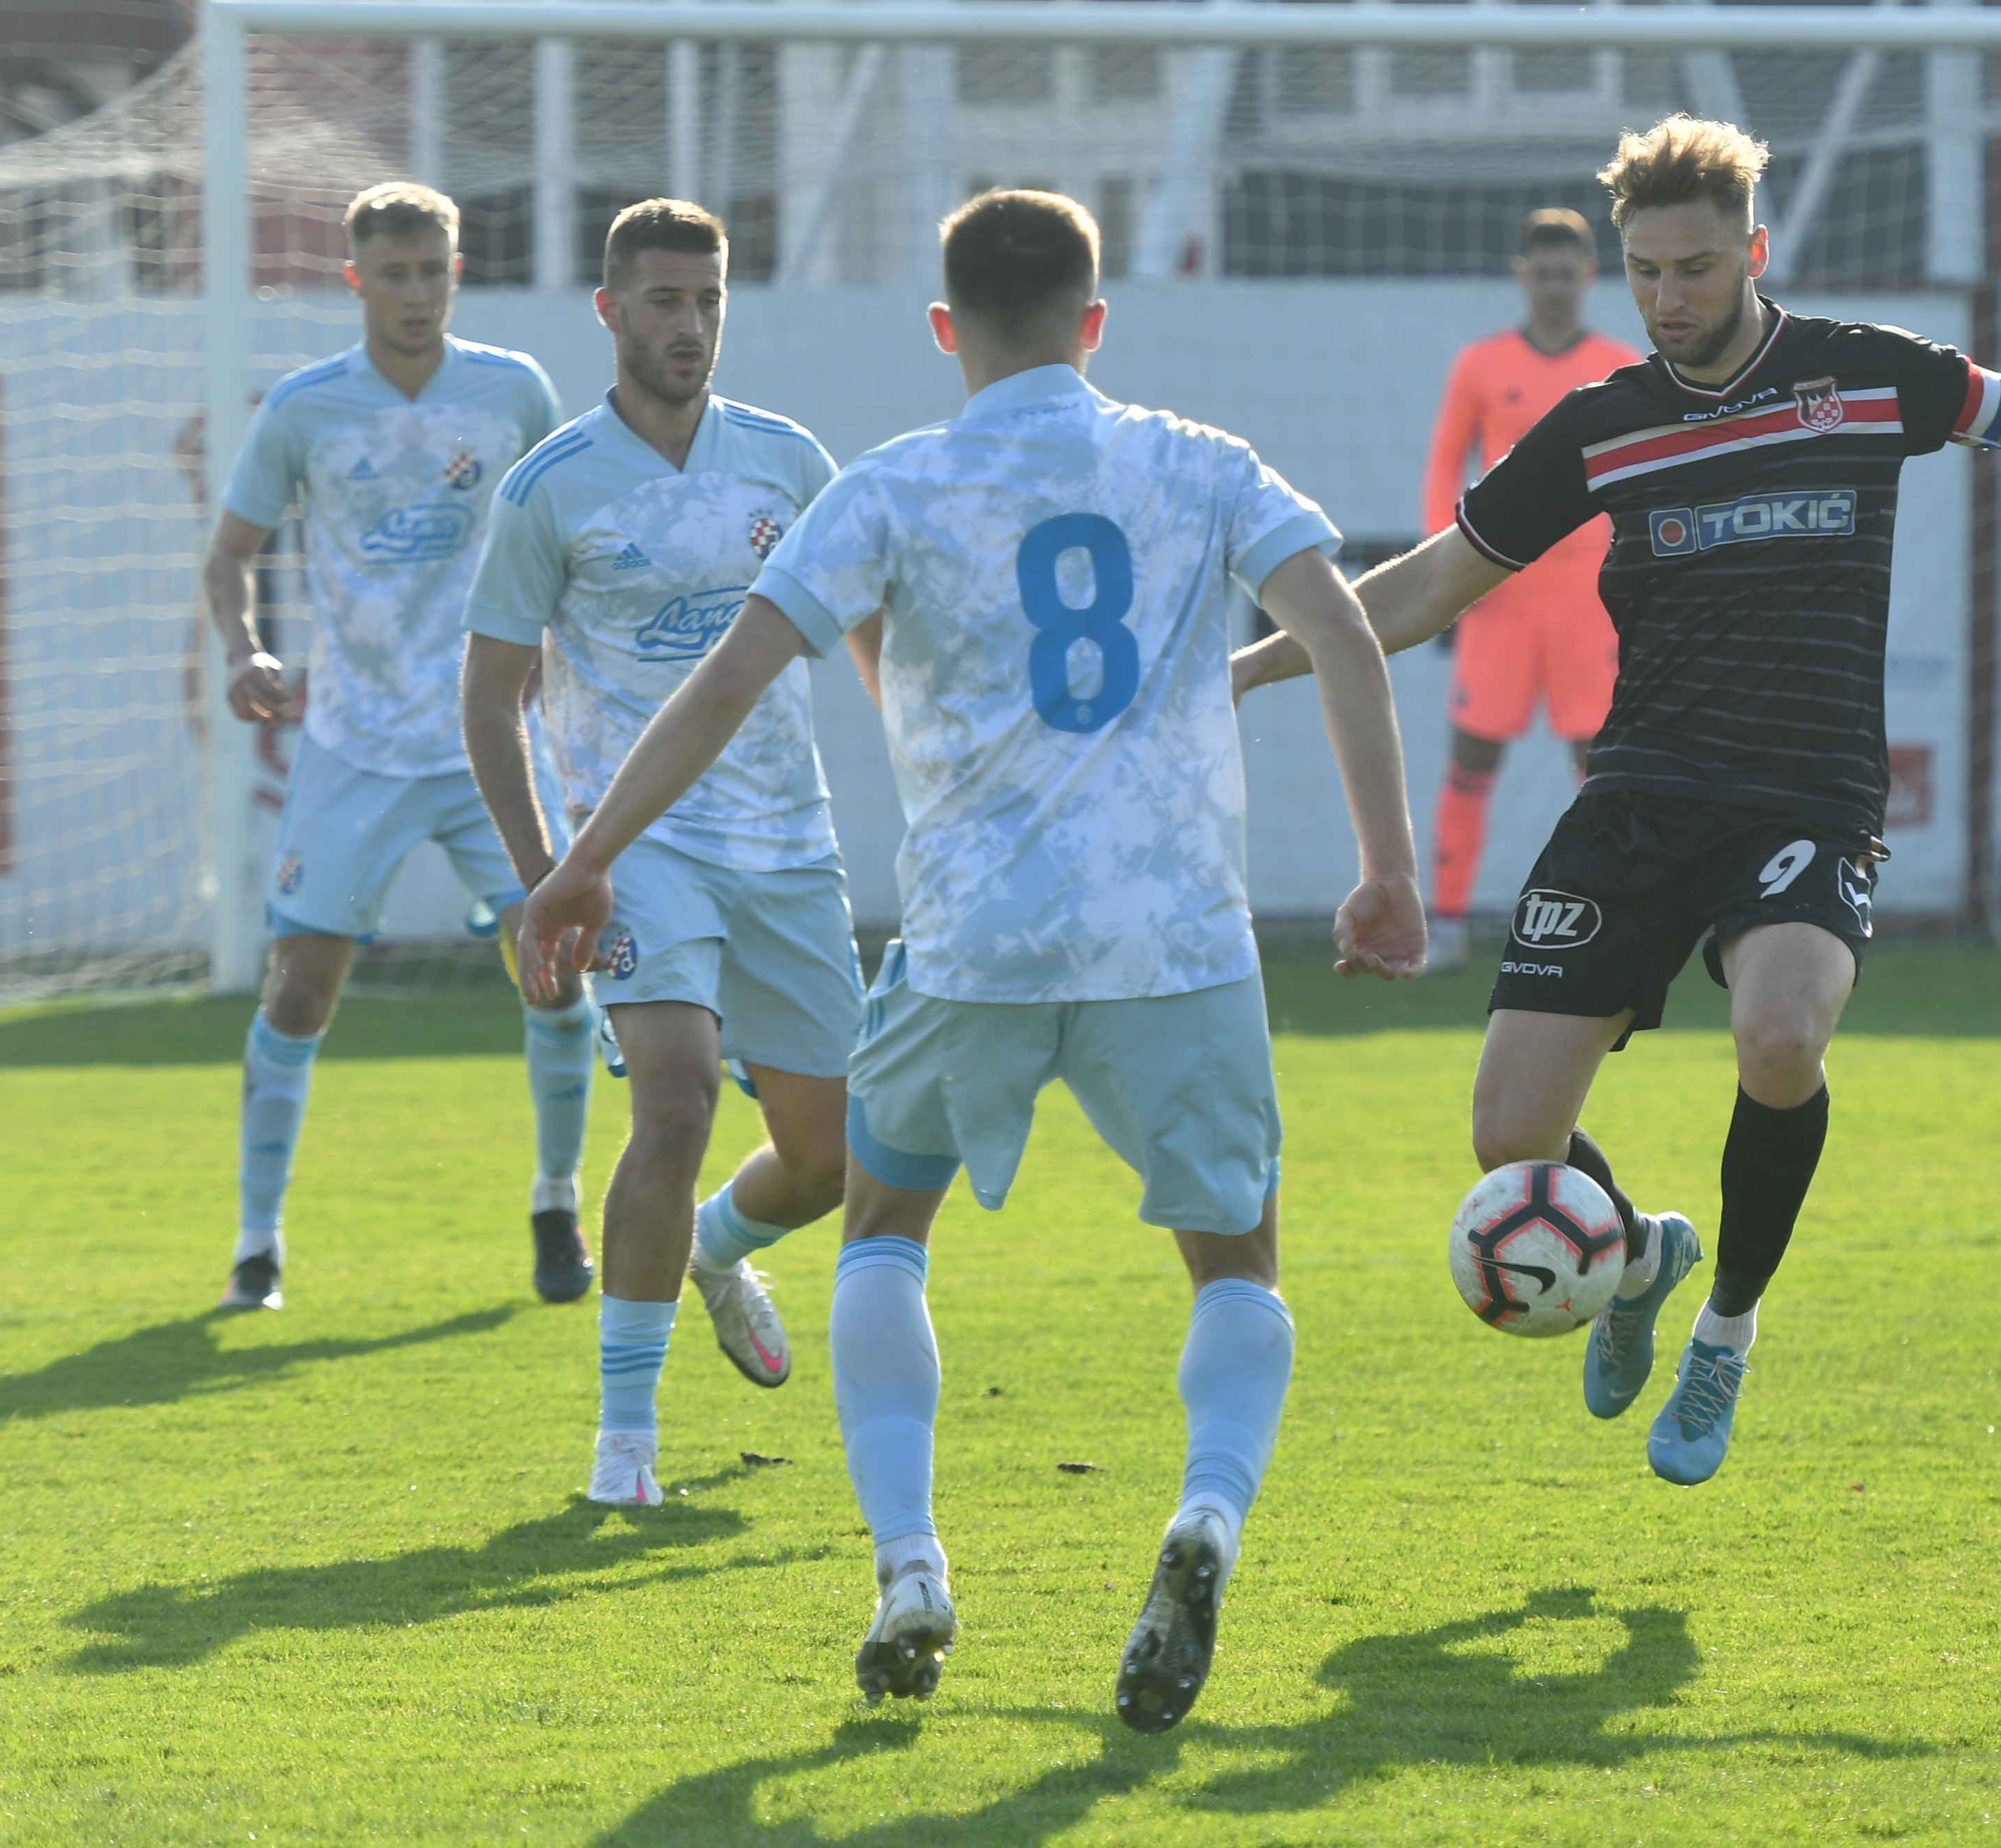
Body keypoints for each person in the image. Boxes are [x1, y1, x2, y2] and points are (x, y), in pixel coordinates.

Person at [1234, 116, 2001, 1488]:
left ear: (1755, 252)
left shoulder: (1862, 378)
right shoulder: (1598, 426)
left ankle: (1723, 1329)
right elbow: (1425, 586)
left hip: (1805, 796)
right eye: (1644, 272)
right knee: (1507, 1137)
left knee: (1779, 1039)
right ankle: (1636, 1256)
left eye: (1695, 269)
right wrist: (1244, 668)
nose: (1666, 298)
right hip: (1639, 796)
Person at [515, 190, 1422, 1728]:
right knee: (1237, 1263)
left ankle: (910, 1564)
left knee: (882, 1233)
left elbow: (728, 681)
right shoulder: (1202, 463)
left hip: (971, 944)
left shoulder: (890, 484)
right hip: (1173, 939)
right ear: (1095, 320)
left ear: (945, 329)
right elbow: (1341, 631)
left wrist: (586, 854)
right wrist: (1386, 870)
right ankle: (1206, 1513)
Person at [462, 200, 860, 1511]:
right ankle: (624, 1449)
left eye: (709, 301)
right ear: (610, 311)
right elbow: (491, 696)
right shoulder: (550, 486)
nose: (691, 325)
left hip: (788, 844)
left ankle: (715, 1246)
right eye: (665, 302)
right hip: (633, 849)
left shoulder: (790, 463)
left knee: (832, 1157)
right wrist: (546, 873)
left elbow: (871, 634)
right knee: (678, 1099)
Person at [204, 182, 593, 1316]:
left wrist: (565, 661)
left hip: (488, 740)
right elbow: (229, 554)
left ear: (456, 272)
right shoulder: (305, 408)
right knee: (298, 993)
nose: (416, 293)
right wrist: (245, 646)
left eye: (433, 271)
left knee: (556, 967)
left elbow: (563, 536)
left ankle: (555, 1202)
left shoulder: (514, 391)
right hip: (353, 743)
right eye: (394, 274)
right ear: (356, 282)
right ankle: (257, 1243)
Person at [1419, 209, 1641, 967]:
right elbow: (1444, 464)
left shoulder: (1618, 366)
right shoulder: (1479, 365)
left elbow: (1640, 477)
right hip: (1502, 593)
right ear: (1522, 276)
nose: (1553, 287)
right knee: (1471, 758)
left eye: (1565, 274)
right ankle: (1448, 924)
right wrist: (1452, 568)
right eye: (1540, 273)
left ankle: (1611, 916)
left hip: (1586, 599)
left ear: (1589, 277)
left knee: (1601, 766)